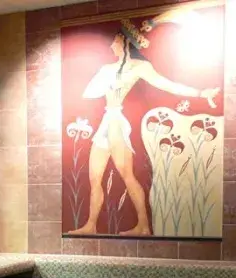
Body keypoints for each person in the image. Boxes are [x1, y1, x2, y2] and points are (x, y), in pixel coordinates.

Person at [69, 16, 221, 236]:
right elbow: (90, 92)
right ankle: (91, 225)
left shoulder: (139, 67)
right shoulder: (106, 68)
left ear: (124, 41)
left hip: (117, 122)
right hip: (106, 122)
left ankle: (143, 225)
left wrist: (200, 93)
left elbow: (167, 85)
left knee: (126, 174)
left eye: (115, 40)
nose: (111, 45)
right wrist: (105, 80)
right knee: (94, 177)